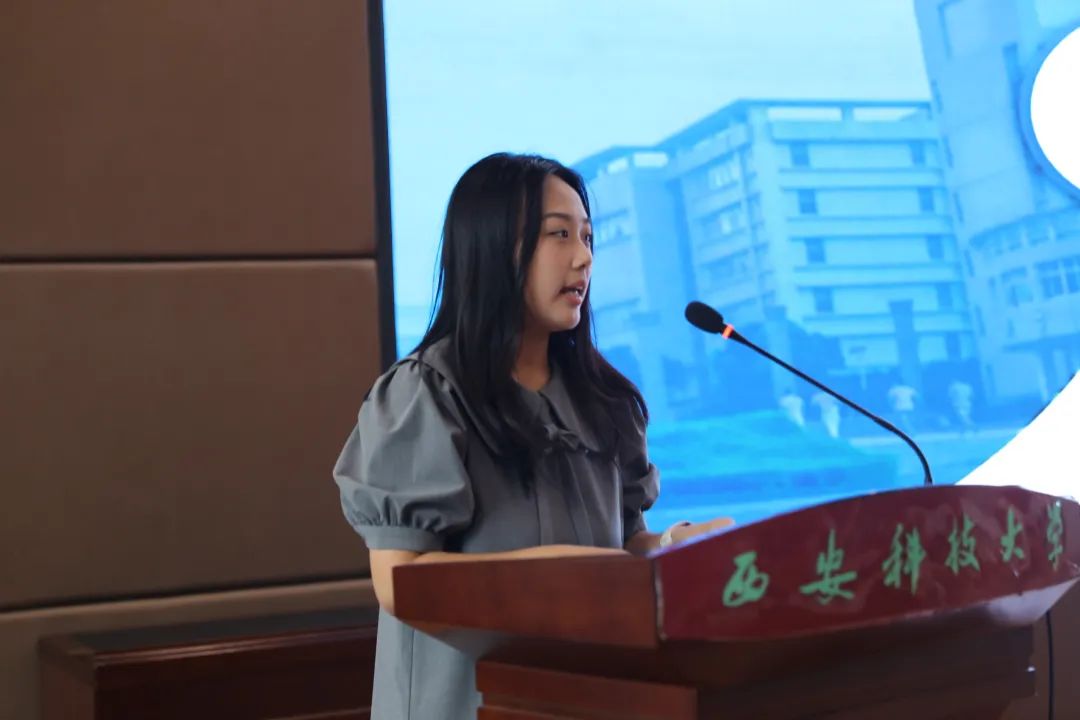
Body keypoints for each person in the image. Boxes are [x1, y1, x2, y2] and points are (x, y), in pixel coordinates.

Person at [332, 152, 731, 720]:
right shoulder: (426, 393)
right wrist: (562, 573)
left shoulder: (605, 399)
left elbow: (623, 548)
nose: (584, 257)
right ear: (493, 247)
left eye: (588, 237)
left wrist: (671, 549)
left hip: (588, 700)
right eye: (559, 234)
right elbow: (400, 580)